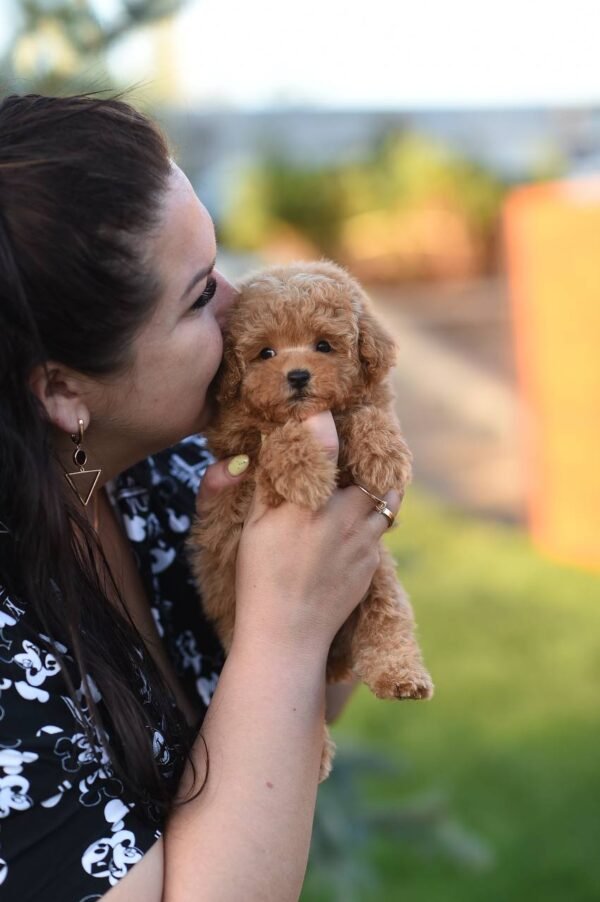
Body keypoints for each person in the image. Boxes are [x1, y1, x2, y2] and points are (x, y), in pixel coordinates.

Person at [0, 93, 400, 901]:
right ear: (63, 390)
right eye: (196, 297)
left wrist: (322, 564)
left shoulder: (149, 474)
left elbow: (307, 706)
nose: (236, 298)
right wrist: (284, 628)